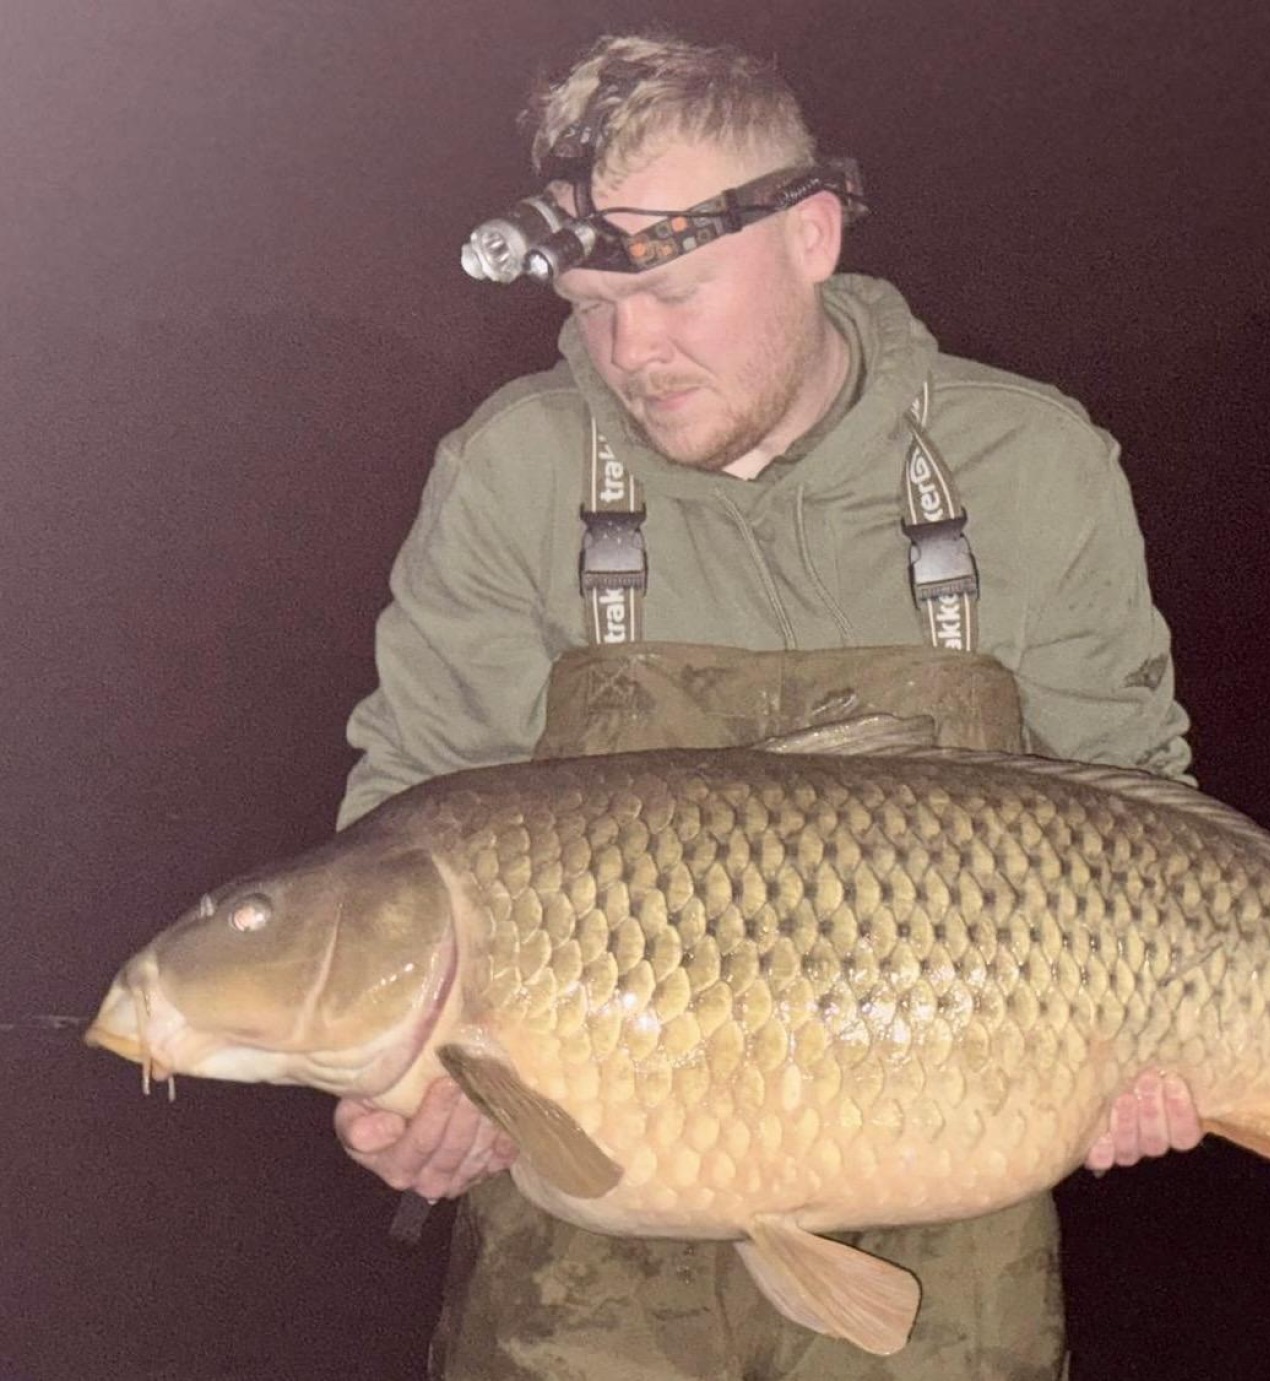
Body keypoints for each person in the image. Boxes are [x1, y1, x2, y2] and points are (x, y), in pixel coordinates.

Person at [332, 32, 1202, 1380]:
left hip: (940, 1210)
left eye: (675, 291)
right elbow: (409, 823)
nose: (630, 351)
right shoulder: (515, 471)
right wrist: (397, 1080)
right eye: (591, 304)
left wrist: (1156, 1053)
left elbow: (1148, 817)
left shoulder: (1031, 465)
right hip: (581, 1237)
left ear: (812, 238)